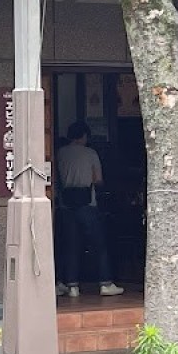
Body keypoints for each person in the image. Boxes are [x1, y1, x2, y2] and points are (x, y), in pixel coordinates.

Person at [56, 121, 124, 298]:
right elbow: (98, 179)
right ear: (84, 136)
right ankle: (105, 283)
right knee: (99, 244)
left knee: (71, 245)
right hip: (87, 204)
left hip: (66, 204)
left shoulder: (61, 153)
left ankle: (72, 286)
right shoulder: (90, 153)